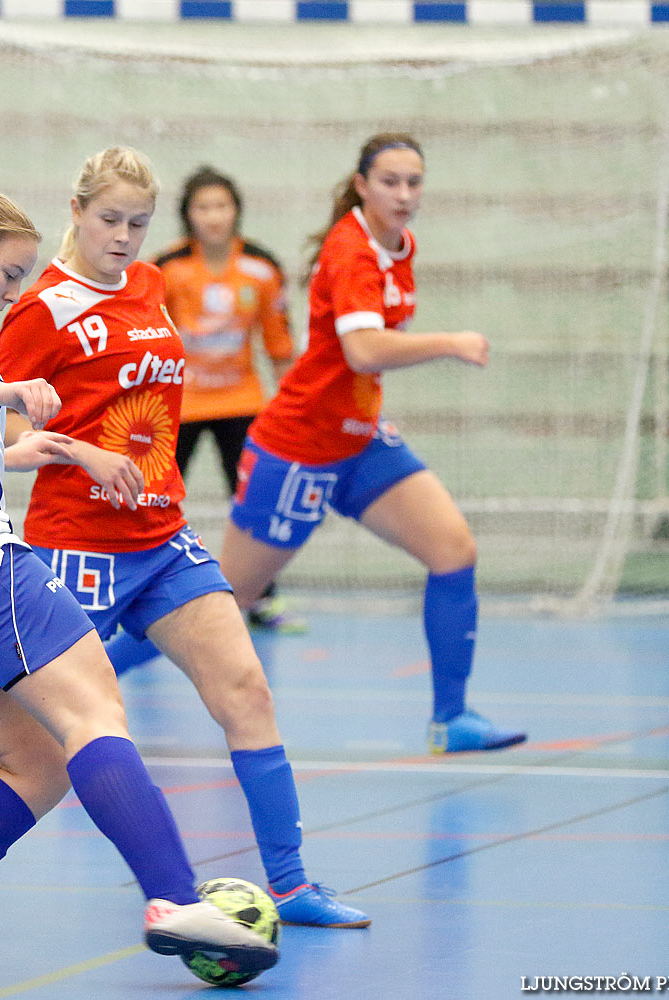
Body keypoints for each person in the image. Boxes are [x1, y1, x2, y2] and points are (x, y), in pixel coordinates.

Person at [0, 150, 370, 930]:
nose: (11, 292)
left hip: (43, 551)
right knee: (88, 720)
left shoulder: (93, 296)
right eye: (6, 274)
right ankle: (174, 901)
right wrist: (10, 395)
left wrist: (47, 445)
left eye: (141, 222)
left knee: (42, 760)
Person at [217, 133, 526, 755]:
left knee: (453, 550)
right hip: (299, 446)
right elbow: (363, 350)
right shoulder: (352, 250)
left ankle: (451, 719)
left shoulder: (398, 244)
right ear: (361, 184)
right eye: (390, 181)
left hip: (358, 440)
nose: (405, 195)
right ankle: (64, 696)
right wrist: (451, 342)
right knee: (218, 604)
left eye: (415, 182)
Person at [100, 166, 299, 678]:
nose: (214, 216)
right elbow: (139, 338)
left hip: (242, 402)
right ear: (188, 214)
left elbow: (279, 346)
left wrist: (291, 406)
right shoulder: (164, 270)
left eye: (222, 206)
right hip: (176, 405)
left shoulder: (261, 268)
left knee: (253, 496)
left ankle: (260, 597)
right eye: (203, 207)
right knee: (152, 497)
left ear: (236, 211)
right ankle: (130, 596)